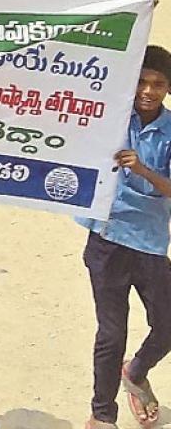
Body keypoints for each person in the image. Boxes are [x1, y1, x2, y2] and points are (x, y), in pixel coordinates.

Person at [75, 45, 171, 429]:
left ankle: (135, 371)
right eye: (142, 82)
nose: (148, 91)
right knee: (111, 333)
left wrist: (143, 169)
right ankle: (102, 415)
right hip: (108, 240)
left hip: (148, 242)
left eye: (158, 84)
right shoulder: (110, 118)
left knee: (166, 324)